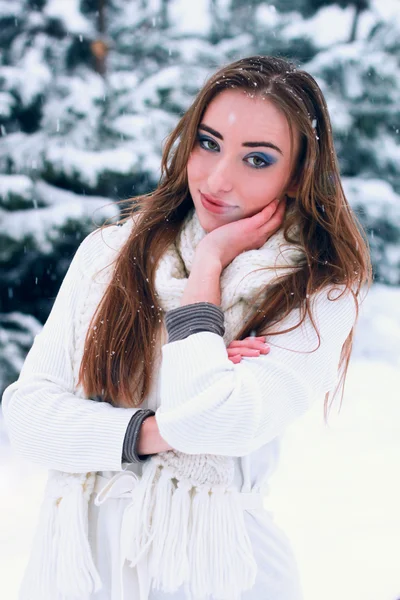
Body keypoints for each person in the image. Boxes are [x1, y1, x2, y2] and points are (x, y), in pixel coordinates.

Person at [2, 55, 371, 600]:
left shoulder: (318, 288)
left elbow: (216, 422)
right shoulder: (109, 253)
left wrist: (208, 271)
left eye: (257, 159)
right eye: (209, 143)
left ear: (297, 175)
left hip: (216, 574)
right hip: (84, 571)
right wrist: (152, 432)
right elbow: (29, 417)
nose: (218, 179)